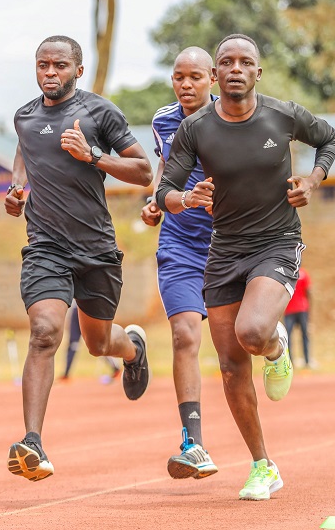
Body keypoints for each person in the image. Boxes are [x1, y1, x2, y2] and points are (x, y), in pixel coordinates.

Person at [156, 33, 335, 500]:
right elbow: (165, 191)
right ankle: (263, 465)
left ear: (258, 72)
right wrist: (185, 199)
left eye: (246, 62)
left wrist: (312, 182)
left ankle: (276, 347)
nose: (235, 68)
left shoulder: (283, 115)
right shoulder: (195, 129)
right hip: (224, 250)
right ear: (216, 76)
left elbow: (330, 139)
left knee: (253, 332)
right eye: (226, 62)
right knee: (232, 366)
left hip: (277, 242)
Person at [4, 35, 153, 482]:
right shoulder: (25, 117)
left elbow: (144, 172)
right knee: (45, 332)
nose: (50, 73)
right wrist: (16, 190)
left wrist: (94, 156)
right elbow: (24, 152)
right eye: (42, 65)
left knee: (97, 344)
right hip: (46, 247)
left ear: (77, 70)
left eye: (60, 65)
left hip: (97, 250)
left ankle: (132, 348)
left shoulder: (99, 113)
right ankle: (32, 441)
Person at [139, 46, 220, 481]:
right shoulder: (163, 120)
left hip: (231, 244)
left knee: (242, 342)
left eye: (194, 77)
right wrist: (154, 202)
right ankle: (194, 444)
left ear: (212, 78)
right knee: (185, 334)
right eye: (178, 77)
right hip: (180, 245)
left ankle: (273, 340)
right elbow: (165, 168)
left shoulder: (235, 117)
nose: (185, 85)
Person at [59, 301, 120, 384]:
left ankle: (116, 368)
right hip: (76, 308)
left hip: (89, 307)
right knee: (73, 343)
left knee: (97, 343)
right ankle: (66, 374)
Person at [283, 267, 313, 368]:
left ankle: (290, 361)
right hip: (302, 308)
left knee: (288, 337)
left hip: (289, 309)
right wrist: (309, 310)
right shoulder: (304, 274)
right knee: (304, 335)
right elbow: (308, 292)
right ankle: (307, 361)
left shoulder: (286, 273)